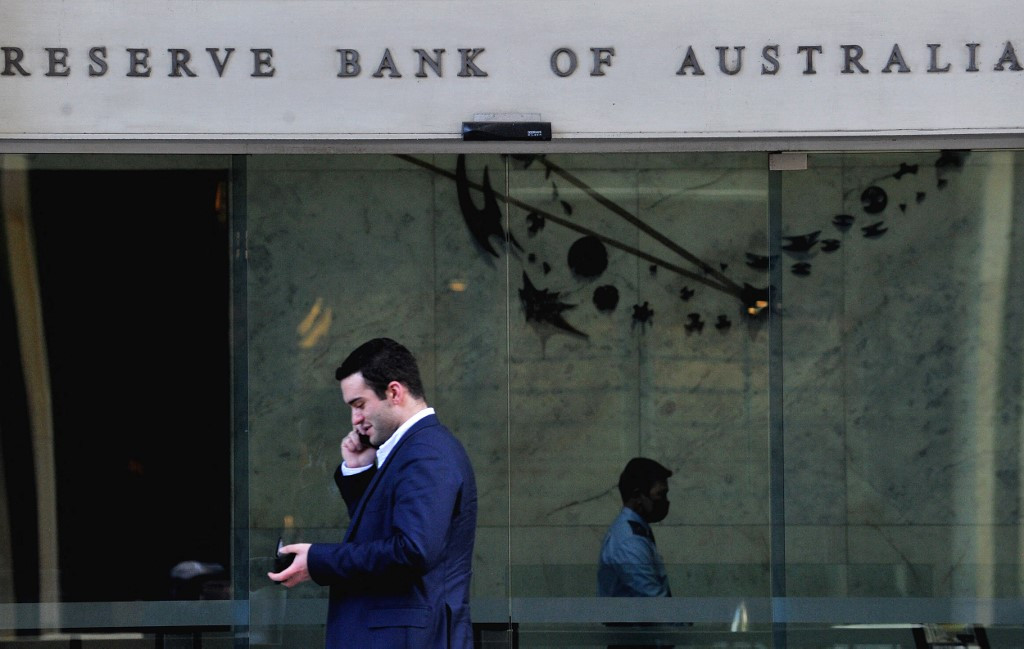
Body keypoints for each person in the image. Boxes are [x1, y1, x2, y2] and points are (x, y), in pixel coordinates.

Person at [268, 338, 478, 649]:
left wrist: (318, 560)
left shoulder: (426, 452)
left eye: (359, 404)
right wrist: (360, 473)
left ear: (394, 392)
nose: (355, 419)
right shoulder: (417, 450)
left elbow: (412, 551)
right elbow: (387, 536)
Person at [598, 457, 673, 599]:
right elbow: (655, 603)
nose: (665, 501)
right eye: (660, 494)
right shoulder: (629, 541)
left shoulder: (634, 531)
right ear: (637, 495)